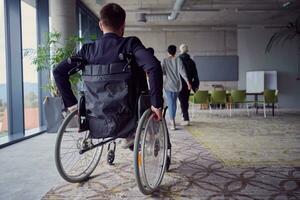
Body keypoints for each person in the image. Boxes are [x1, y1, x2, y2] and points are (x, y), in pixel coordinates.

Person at [53, 3, 163, 148]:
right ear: (123, 26)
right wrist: (156, 104)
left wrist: (73, 106)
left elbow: (58, 71)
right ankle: (137, 137)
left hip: (95, 117)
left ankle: (130, 138)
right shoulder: (130, 44)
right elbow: (153, 67)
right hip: (129, 117)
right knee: (138, 65)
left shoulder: (87, 50)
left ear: (100, 25)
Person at [162, 45, 191, 130]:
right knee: (173, 103)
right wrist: (188, 82)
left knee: (171, 103)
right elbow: (183, 72)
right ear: (175, 52)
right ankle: (172, 120)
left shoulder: (165, 60)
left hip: (168, 85)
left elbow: (163, 72)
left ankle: (172, 122)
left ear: (168, 52)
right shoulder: (178, 60)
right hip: (177, 85)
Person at [178, 44, 199, 126]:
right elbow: (195, 75)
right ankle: (184, 116)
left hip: (179, 84)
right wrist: (196, 85)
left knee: (182, 101)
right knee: (185, 101)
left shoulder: (178, 60)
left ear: (180, 50)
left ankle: (186, 118)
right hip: (189, 84)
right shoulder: (191, 61)